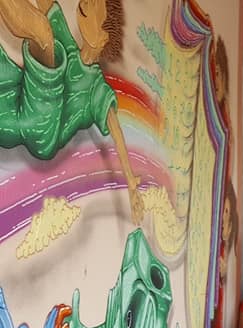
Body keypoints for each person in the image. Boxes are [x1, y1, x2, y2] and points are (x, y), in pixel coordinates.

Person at [0, 0, 145, 223]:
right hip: (18, 100)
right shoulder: (69, 46)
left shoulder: (96, 87)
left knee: (43, 33)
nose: (89, 2)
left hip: (44, 130)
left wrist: (131, 182)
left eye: (96, 6)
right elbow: (47, 5)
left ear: (102, 38)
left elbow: (115, 129)